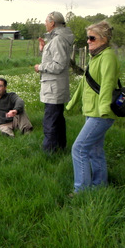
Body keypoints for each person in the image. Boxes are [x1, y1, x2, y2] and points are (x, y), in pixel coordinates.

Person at [66, 21, 120, 193]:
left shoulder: (108, 57)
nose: (88, 41)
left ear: (104, 39)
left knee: (79, 148)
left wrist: (104, 109)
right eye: (87, 38)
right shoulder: (95, 57)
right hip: (93, 111)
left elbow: (107, 84)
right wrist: (72, 103)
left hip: (101, 113)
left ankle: (81, 191)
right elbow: (84, 82)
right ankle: (99, 186)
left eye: (92, 38)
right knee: (95, 150)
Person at [34, 11, 75, 153]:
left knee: (50, 121)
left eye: (46, 21)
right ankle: (60, 147)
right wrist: (44, 49)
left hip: (53, 87)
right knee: (57, 119)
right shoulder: (59, 38)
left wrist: (40, 67)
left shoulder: (58, 40)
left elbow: (58, 65)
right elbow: (55, 57)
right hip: (55, 86)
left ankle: (49, 152)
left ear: (52, 23)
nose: (45, 24)